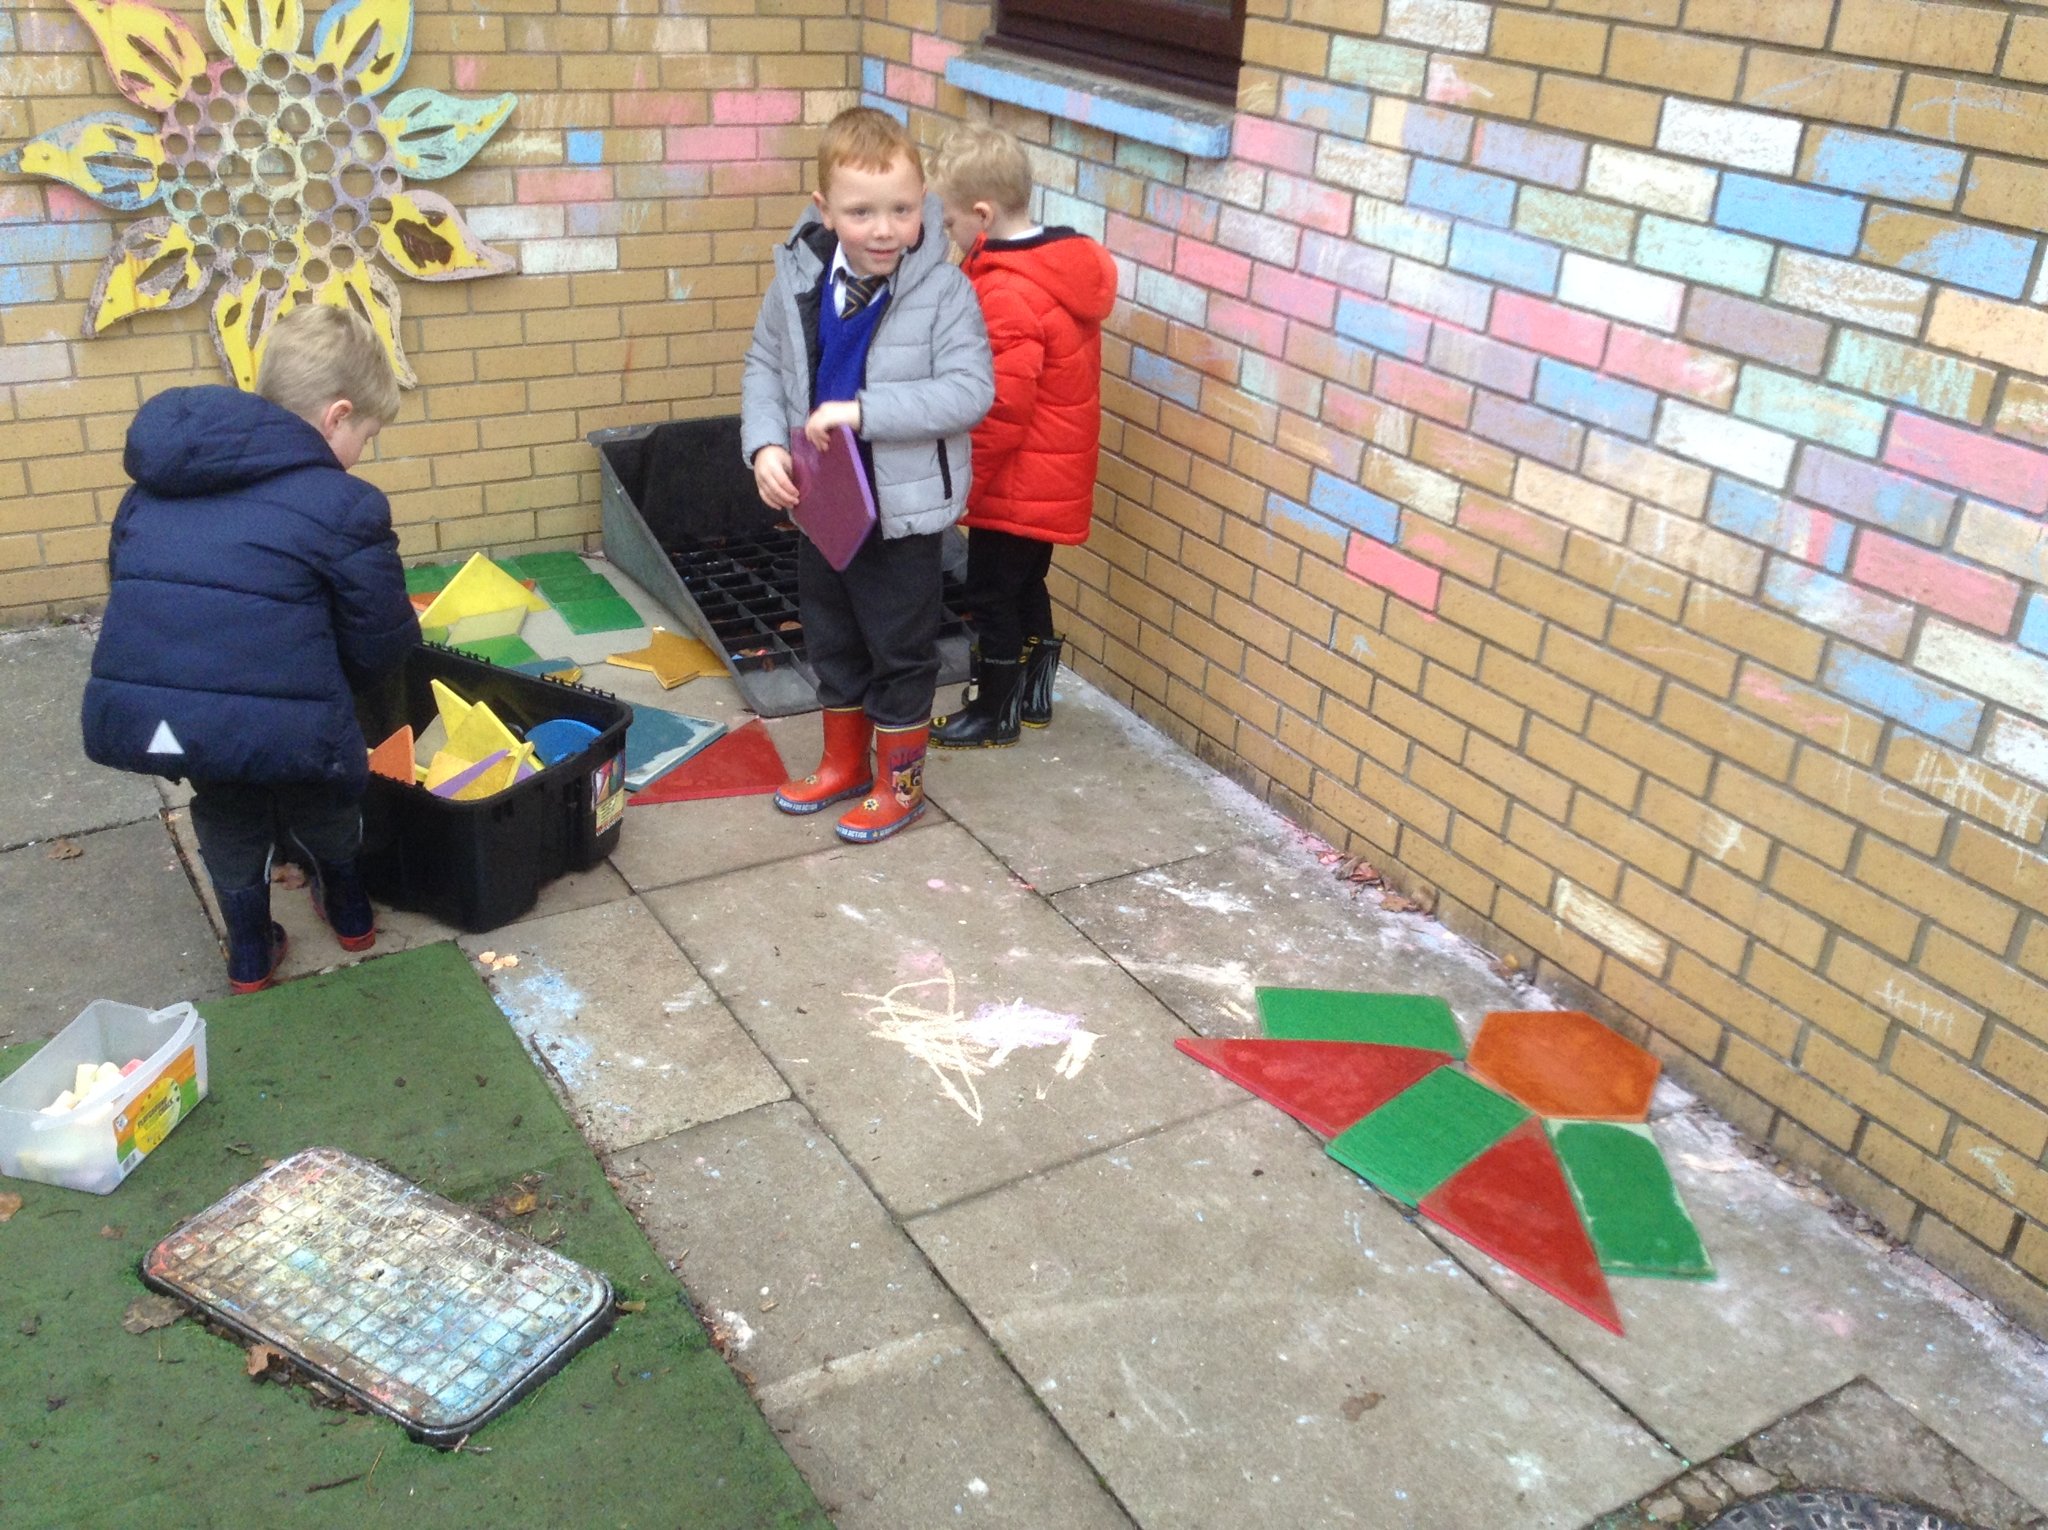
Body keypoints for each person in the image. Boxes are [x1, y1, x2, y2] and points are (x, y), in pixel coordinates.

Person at [82, 303, 420, 993]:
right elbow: (379, 638)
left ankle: (248, 948)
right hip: (295, 713)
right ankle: (351, 909)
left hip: (179, 717)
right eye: (367, 434)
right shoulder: (344, 504)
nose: (362, 452)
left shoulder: (152, 490)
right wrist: (342, 691)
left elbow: (133, 588)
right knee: (328, 788)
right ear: (335, 416)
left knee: (227, 807)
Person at [743, 106, 994, 843]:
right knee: (832, 639)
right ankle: (844, 764)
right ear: (825, 209)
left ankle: (899, 783)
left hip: (902, 516)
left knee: (899, 649)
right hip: (823, 503)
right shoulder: (799, 279)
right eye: (861, 212)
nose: (883, 229)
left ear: (927, 208)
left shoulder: (945, 292)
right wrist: (764, 448)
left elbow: (968, 393)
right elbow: (764, 366)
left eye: (902, 210)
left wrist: (862, 411)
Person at [928, 121, 1116, 748]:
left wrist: (959, 479)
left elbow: (999, 408)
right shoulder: (1055, 266)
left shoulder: (1008, 293)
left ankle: (994, 710)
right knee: (1024, 583)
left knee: (989, 593)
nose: (948, 236)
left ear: (981, 215)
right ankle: (1032, 698)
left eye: (950, 223)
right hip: (1048, 476)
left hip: (1016, 480)